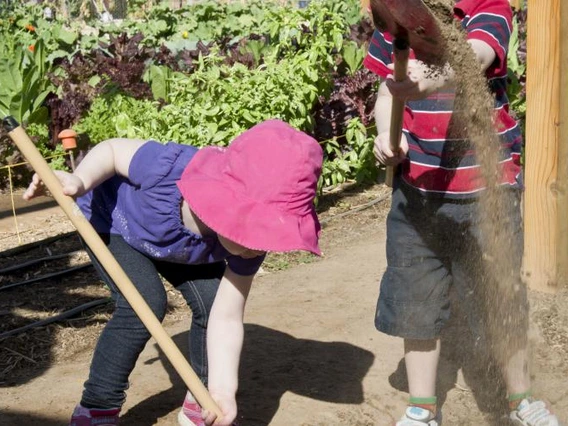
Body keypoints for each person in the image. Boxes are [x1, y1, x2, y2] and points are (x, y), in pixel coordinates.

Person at [23, 119, 323, 426]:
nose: (260, 247)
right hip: (114, 223)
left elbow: (228, 316)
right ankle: (97, 406)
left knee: (212, 302)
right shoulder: (169, 168)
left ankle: (202, 396)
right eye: (255, 230)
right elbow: (112, 150)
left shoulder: (251, 246)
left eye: (271, 234)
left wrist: (223, 391)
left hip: (176, 245)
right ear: (226, 205)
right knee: (144, 305)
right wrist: (79, 180)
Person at [364, 0, 563, 425]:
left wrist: (426, 83)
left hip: (487, 190)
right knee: (416, 298)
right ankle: (422, 407)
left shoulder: (487, 8)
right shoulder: (394, 16)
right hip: (417, 191)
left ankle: (521, 398)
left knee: (500, 297)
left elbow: (475, 57)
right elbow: (386, 92)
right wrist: (387, 133)